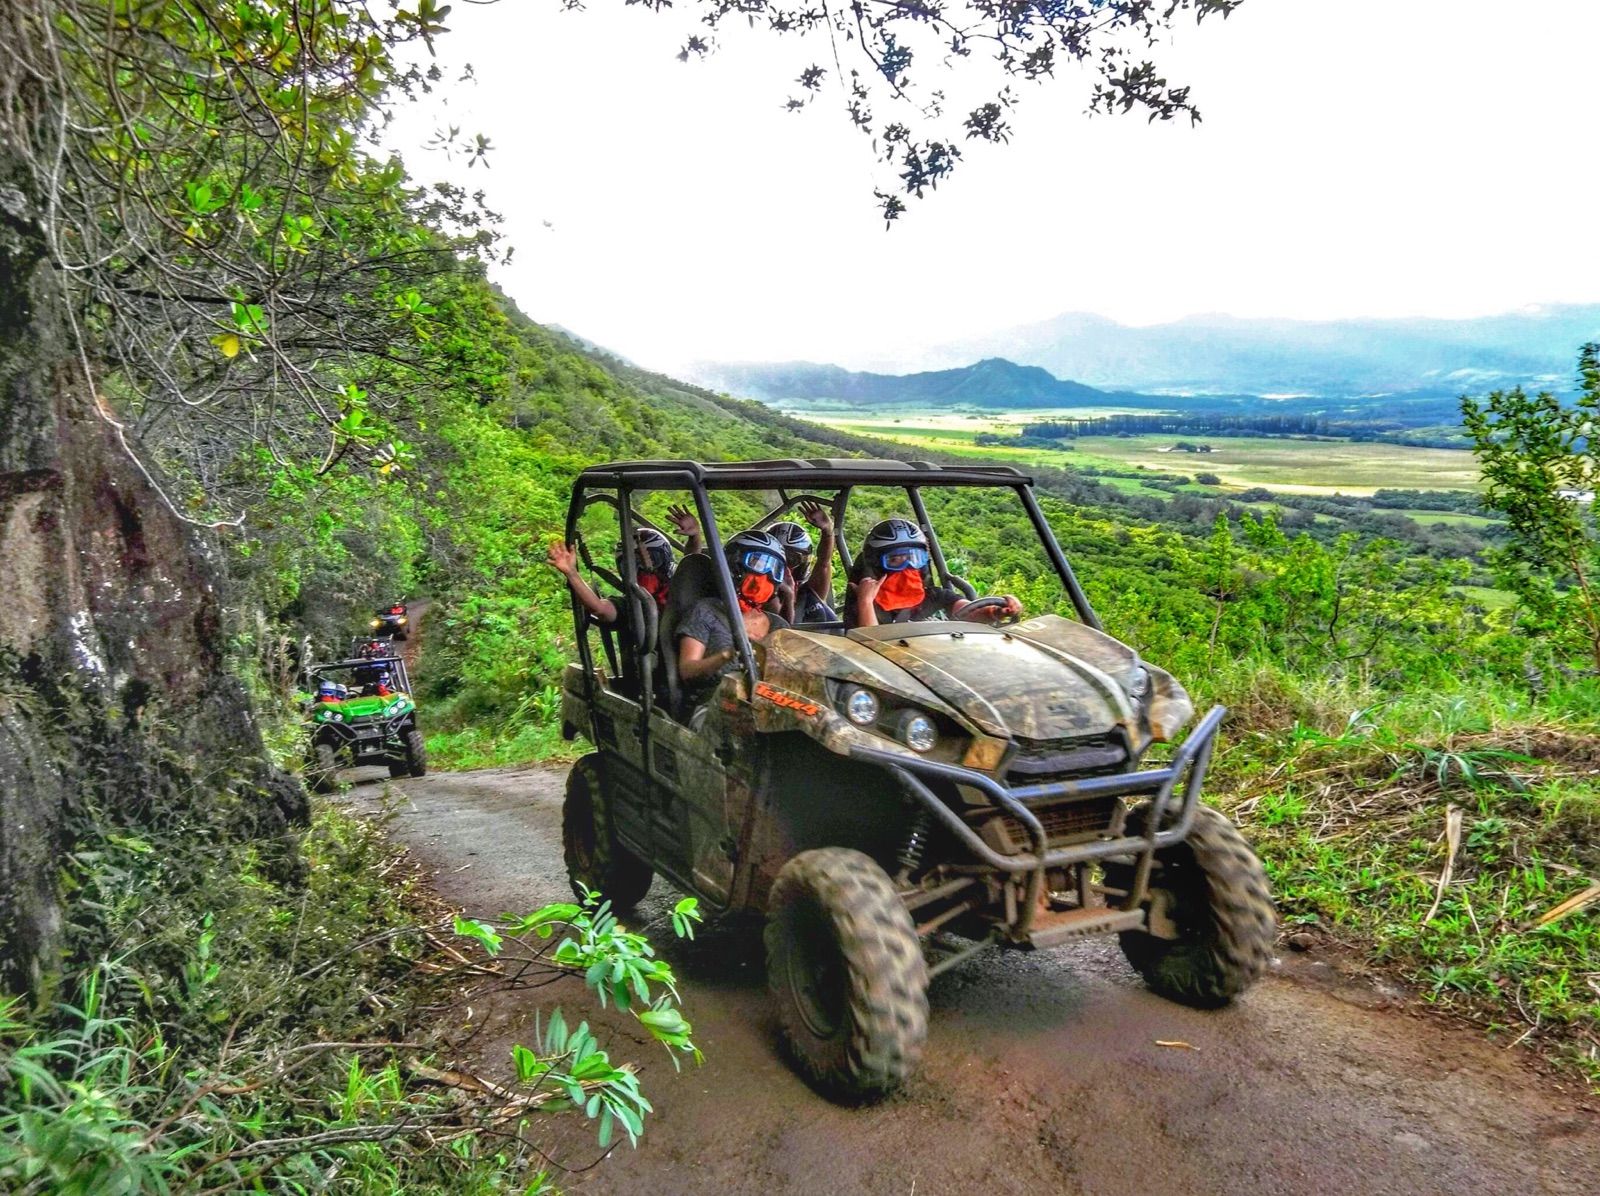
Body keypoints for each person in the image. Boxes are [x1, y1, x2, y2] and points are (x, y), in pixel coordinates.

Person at [845, 517, 1022, 629]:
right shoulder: (867, 605)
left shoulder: (934, 596)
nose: (908, 567)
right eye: (895, 560)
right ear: (876, 565)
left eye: (914, 558)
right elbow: (870, 644)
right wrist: (865, 601)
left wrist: (995, 612)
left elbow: (969, 613)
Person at [676, 529, 791, 700]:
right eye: (758, 563)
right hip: (715, 704)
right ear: (733, 564)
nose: (767, 574)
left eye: (775, 569)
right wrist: (728, 654)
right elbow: (687, 671)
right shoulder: (705, 610)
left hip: (768, 705)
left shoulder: (779, 625)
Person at [545, 504, 701, 625]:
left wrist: (694, 536)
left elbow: (691, 563)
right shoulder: (632, 605)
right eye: (634, 567)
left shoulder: (678, 586)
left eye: (651, 562)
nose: (644, 572)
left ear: (664, 559)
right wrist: (571, 573)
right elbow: (599, 609)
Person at [767, 500, 837, 624]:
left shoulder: (809, 592)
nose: (784, 567)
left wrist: (828, 531)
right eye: (776, 559)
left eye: (791, 559)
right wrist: (787, 596)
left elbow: (824, 563)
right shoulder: (762, 595)